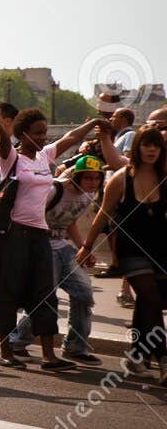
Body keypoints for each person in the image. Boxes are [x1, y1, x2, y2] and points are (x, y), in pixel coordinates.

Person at [0, 109, 95, 371]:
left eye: (45, 132)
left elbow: (70, 138)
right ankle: (6, 350)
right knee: (7, 292)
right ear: (23, 135)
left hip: (39, 235)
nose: (43, 137)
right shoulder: (11, 158)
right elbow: (3, 142)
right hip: (13, 235)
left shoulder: (45, 156)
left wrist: (92, 123)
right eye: (37, 133)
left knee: (46, 294)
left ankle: (49, 356)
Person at [6, 152, 115, 364]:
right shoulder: (54, 190)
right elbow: (25, 215)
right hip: (42, 246)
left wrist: (83, 247)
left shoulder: (89, 195)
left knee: (84, 293)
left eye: (96, 178)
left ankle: (75, 346)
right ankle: (17, 341)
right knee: (45, 297)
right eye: (88, 178)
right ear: (77, 176)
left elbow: (69, 220)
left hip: (63, 246)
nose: (93, 183)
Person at [78, 124, 167, 380]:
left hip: (160, 250)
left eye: (156, 145)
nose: (151, 150)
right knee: (150, 299)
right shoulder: (121, 178)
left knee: (150, 301)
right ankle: (163, 358)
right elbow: (102, 214)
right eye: (145, 145)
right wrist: (86, 246)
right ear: (137, 147)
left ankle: (138, 354)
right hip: (130, 251)